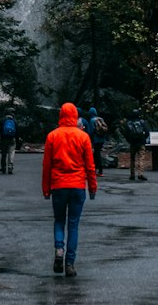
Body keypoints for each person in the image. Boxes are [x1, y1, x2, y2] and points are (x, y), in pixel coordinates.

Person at [42, 101, 97, 277]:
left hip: (58, 185)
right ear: (75, 116)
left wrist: (46, 188)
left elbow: (47, 165)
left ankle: (59, 248)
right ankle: (70, 263)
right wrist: (93, 187)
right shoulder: (83, 137)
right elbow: (90, 165)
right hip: (77, 185)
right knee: (73, 225)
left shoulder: (52, 136)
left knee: (59, 220)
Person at [124, 108, 149, 182]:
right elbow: (147, 132)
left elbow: (126, 134)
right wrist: (143, 139)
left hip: (133, 144)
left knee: (132, 159)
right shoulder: (142, 122)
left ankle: (132, 174)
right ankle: (140, 174)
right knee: (141, 158)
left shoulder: (129, 123)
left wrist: (130, 141)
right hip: (141, 143)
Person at [86, 105, 108, 178]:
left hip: (96, 140)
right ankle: (98, 170)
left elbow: (91, 131)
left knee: (96, 154)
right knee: (98, 153)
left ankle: (98, 170)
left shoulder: (92, 120)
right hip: (102, 139)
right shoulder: (101, 119)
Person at [0, 109, 18, 175]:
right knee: (11, 153)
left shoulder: (2, 120)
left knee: (3, 154)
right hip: (12, 139)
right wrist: (17, 139)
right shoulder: (14, 121)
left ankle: (3, 167)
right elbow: (17, 131)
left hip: (3, 139)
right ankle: (10, 167)